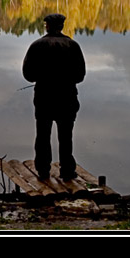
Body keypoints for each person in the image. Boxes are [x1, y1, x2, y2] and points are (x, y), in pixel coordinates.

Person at [22, 13, 86, 181]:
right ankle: (67, 171)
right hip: (68, 98)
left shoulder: (36, 46)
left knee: (43, 135)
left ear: (47, 26)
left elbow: (28, 75)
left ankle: (43, 171)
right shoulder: (73, 46)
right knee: (66, 137)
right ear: (62, 26)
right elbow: (80, 76)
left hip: (44, 98)